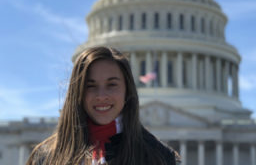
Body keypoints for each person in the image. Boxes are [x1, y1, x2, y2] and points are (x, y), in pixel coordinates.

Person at [26, 46, 180, 165]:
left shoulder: (159, 157)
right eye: (90, 86)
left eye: (112, 84)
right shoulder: (46, 157)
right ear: (77, 92)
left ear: (127, 90)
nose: (101, 96)